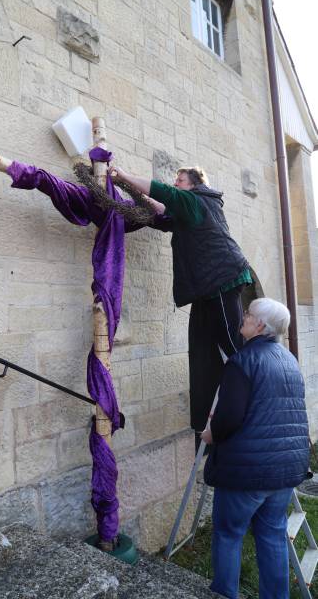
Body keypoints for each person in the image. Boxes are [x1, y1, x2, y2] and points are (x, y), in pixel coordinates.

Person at [109, 165, 251, 437]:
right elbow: (160, 209)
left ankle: (255, 390)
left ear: (195, 183)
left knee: (233, 344)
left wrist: (125, 175)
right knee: (202, 349)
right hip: (207, 287)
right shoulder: (188, 208)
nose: (176, 183)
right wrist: (130, 194)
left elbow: (165, 194)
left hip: (222, 278)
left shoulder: (196, 199)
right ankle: (207, 419)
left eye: (180, 180)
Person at [201, 297, 310, 599]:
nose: (243, 319)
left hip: (246, 473)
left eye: (248, 315)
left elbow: (229, 418)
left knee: (228, 534)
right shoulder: (288, 360)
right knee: (273, 535)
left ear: (260, 325)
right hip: (285, 473)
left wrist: (211, 434)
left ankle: (224, 594)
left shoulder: (242, 361)